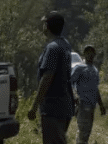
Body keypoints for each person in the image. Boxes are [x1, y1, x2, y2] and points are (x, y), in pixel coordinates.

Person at [27, 11, 75, 144]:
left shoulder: (52, 48)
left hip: (52, 108)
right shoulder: (65, 45)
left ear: (47, 26)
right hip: (64, 106)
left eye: (44, 23)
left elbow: (47, 78)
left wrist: (34, 106)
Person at [70, 45, 107, 144]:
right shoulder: (79, 68)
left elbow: (95, 88)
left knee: (87, 132)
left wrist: (101, 105)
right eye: (87, 52)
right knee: (83, 131)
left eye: (92, 52)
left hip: (92, 105)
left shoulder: (94, 70)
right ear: (84, 54)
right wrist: (75, 95)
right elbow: (70, 83)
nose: (90, 54)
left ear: (94, 55)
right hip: (82, 104)